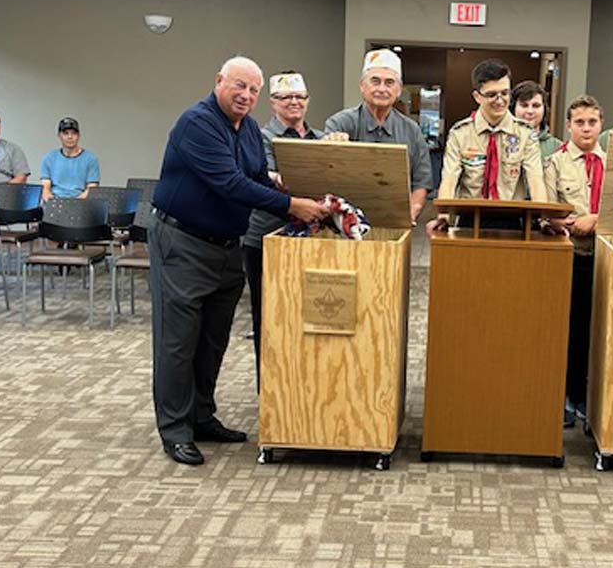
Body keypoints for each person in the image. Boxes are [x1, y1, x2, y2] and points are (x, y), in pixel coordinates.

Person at [150, 56, 329, 466]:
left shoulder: (247, 129)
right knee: (178, 342)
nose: (246, 95)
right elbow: (229, 183)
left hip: (227, 246)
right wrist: (292, 205)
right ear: (219, 81)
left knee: (213, 339)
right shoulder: (196, 123)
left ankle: (201, 416)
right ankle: (175, 430)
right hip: (183, 243)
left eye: (253, 90)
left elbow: (256, 178)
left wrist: (294, 197)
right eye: (239, 86)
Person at [242, 71, 324, 392]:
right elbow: (270, 179)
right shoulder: (258, 138)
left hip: (310, 240)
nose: (294, 102)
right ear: (273, 102)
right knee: (269, 318)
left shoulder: (319, 138)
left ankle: (301, 388)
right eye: (286, 97)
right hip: (266, 239)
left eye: (300, 97)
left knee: (306, 315)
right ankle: (270, 391)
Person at [426, 59, 546, 234]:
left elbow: (535, 180)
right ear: (477, 96)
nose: (500, 100)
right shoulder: (460, 133)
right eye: (492, 95)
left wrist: (544, 220)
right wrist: (443, 217)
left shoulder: (524, 133)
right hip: (469, 218)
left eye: (505, 93)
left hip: (511, 220)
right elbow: (449, 179)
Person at [544, 95, 606, 428]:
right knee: (570, 329)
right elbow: (547, 211)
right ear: (568, 126)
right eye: (579, 122)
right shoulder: (555, 164)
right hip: (571, 256)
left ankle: (588, 397)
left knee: (598, 331)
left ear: (601, 125)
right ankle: (567, 396)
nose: (586, 128)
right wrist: (567, 223)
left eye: (592, 122)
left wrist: (594, 219)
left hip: (606, 259)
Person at [324, 49, 433, 223]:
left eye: (389, 83)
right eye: (375, 81)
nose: (382, 89)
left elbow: (421, 182)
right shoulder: (340, 123)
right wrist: (333, 146)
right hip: (345, 223)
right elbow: (326, 175)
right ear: (362, 86)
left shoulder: (411, 130)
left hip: (394, 219)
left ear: (399, 90)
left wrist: (410, 214)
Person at [40, 117, 100, 201]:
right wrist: (52, 203)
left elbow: (91, 189)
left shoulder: (90, 159)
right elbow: (45, 188)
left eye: (74, 133)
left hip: (80, 203)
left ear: (78, 136)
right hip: (55, 202)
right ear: (59, 136)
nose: (70, 137)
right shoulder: (49, 158)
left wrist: (73, 204)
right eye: (66, 133)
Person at [511, 80, 562, 160]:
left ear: (544, 109)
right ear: (514, 108)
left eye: (536, 106)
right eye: (524, 105)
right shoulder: (502, 141)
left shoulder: (557, 147)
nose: (530, 111)